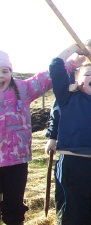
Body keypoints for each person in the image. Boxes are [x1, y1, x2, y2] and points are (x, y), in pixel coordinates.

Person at [49, 44, 91, 224]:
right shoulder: (67, 97)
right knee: (73, 215)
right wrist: (72, 49)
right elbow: (55, 66)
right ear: (77, 81)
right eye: (87, 75)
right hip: (72, 164)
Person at [0, 50, 53, 225]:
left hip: (16, 162)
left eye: (4, 71)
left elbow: (46, 77)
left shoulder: (22, 89)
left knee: (14, 210)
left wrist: (71, 61)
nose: (1, 76)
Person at [44, 39, 91, 155]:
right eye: (87, 53)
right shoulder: (71, 79)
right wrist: (52, 136)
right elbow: (59, 108)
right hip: (71, 147)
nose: (90, 57)